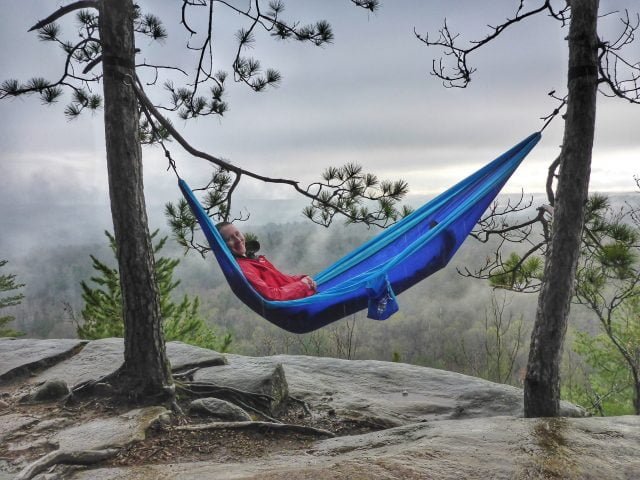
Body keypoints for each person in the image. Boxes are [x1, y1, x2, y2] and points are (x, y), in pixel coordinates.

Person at [216, 222, 317, 301]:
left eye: (237, 234)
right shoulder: (245, 268)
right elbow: (272, 295)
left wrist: (301, 279)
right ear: (223, 246)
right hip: (298, 305)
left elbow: (280, 279)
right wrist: (303, 285)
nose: (238, 240)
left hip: (303, 295)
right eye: (230, 238)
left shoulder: (254, 259)